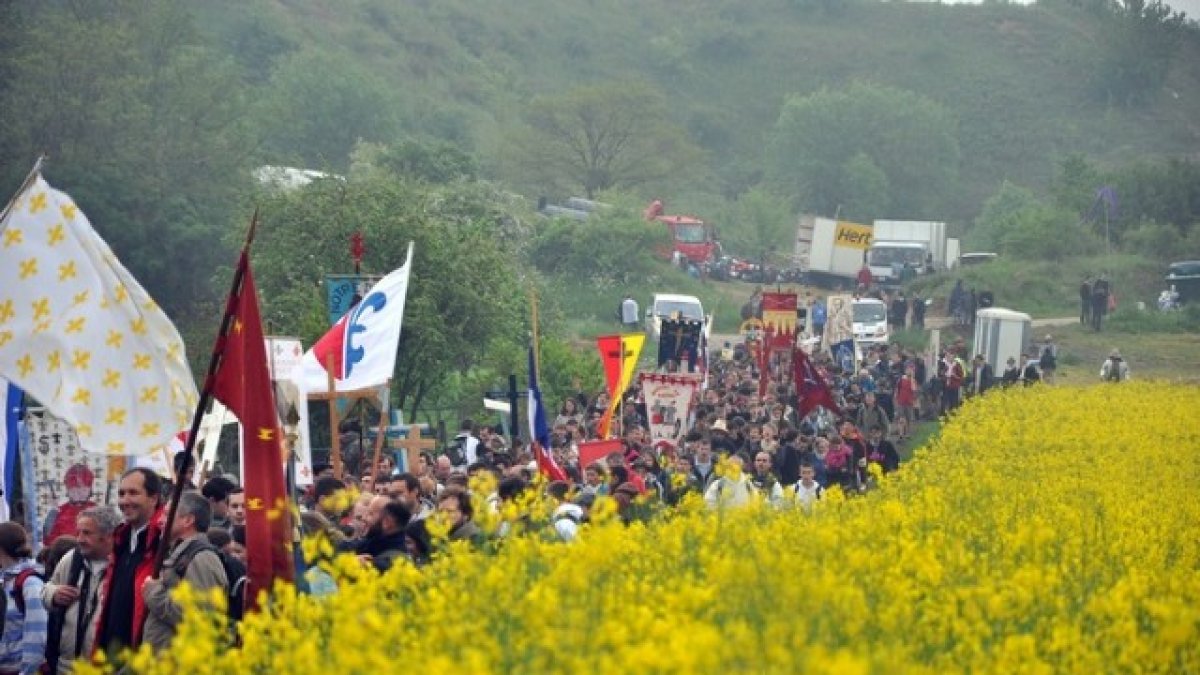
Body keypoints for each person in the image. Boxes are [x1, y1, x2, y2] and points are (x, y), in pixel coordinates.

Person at [141, 492, 228, 653]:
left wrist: (154, 593)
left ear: (188, 520)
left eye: (167, 515)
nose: (160, 520)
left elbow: (200, 618)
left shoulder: (202, 558)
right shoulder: (180, 554)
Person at [94, 468, 165, 659]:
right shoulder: (121, 539)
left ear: (154, 498)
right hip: (112, 653)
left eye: (133, 493)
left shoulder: (165, 542)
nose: (125, 501)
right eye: (121, 493)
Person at [43, 506, 118, 675]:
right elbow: (48, 587)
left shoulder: (123, 565)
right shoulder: (71, 559)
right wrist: (54, 594)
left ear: (107, 536)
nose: (79, 539)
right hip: (65, 667)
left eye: (87, 533)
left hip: (104, 669)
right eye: (78, 532)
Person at [0, 522, 47, 675]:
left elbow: (37, 635)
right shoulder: (4, 580)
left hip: (18, 670)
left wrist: (27, 672)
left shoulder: (29, 583)